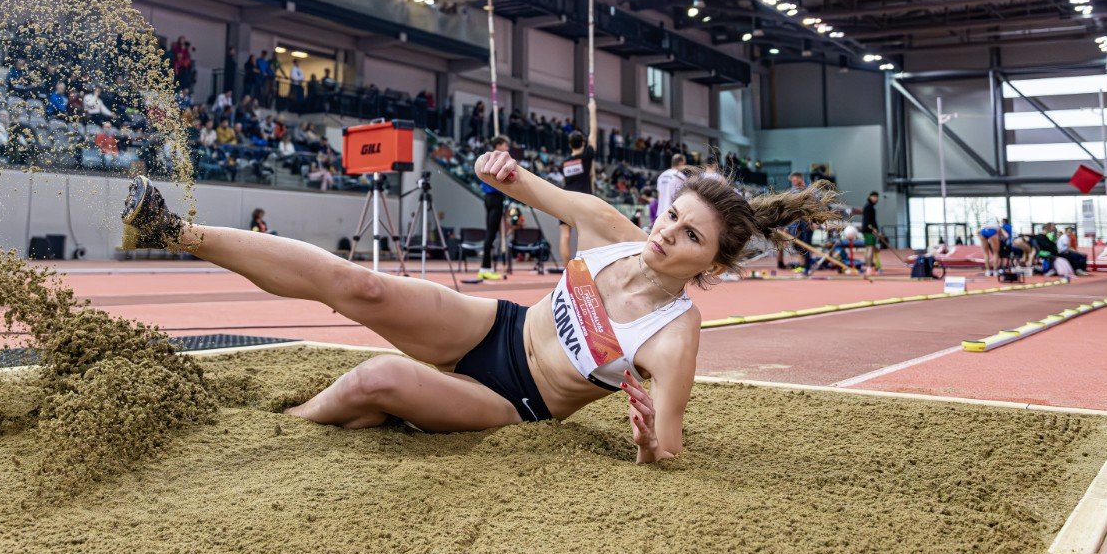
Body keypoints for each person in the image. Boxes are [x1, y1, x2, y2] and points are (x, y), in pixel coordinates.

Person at [118, 157, 842, 452]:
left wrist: (651, 439)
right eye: (672, 217)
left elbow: (670, 450)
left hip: (515, 403)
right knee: (364, 288)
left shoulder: (674, 336)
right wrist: (499, 169)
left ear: (710, 264)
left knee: (376, 378)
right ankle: (172, 230)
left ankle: (280, 428)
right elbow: (520, 184)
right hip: (495, 326)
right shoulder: (609, 229)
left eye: (689, 237)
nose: (667, 235)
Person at [556, 132, 597, 266]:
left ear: (570, 145)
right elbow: (593, 137)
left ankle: (567, 269)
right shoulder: (586, 156)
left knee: (565, 234)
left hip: (565, 199)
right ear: (583, 143)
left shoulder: (564, 163)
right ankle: (585, 267)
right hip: (582, 199)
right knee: (584, 234)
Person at [476, 135, 513, 282]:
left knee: (491, 233)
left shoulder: (487, 158)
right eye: (505, 145)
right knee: (491, 234)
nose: (507, 148)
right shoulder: (496, 160)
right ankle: (485, 268)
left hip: (490, 198)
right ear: (498, 145)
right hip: (495, 198)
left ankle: (486, 267)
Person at [858, 191, 883, 272]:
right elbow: (868, 221)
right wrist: (874, 230)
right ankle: (869, 267)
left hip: (868, 230)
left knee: (868, 248)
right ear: (870, 197)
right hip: (869, 231)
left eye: (877, 197)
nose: (876, 199)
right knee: (870, 248)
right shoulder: (869, 207)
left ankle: (868, 266)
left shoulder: (870, 207)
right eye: (874, 197)